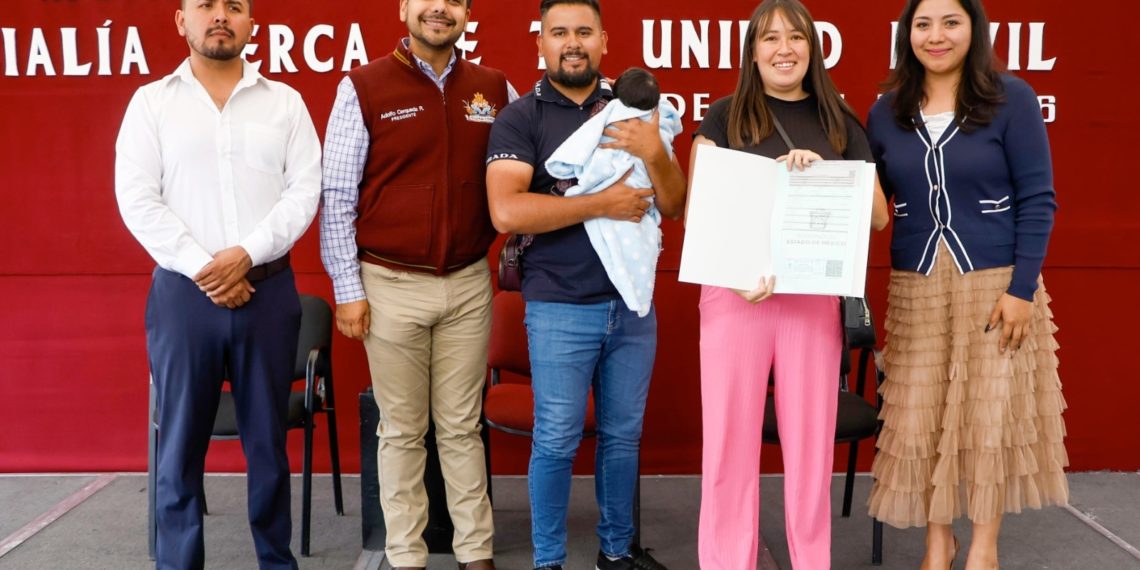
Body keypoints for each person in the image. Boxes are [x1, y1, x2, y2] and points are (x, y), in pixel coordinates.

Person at [114, 0, 321, 568]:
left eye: (234, 6)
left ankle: (276, 560)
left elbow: (303, 191)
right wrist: (207, 267)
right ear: (182, 20)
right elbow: (137, 199)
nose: (220, 15)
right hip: (185, 297)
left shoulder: (285, 104)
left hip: (268, 293)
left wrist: (247, 255)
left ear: (252, 22)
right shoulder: (152, 104)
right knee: (178, 447)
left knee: (268, 449)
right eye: (205, 5)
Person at [866, 0, 1069, 568]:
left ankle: (983, 546)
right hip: (917, 286)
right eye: (922, 24)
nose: (936, 36)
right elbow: (873, 204)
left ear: (973, 30)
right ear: (907, 35)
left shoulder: (1011, 99)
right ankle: (938, 541)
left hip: (995, 284)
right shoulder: (886, 112)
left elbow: (1038, 198)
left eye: (950, 22)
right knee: (921, 416)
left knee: (986, 418)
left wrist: (1022, 288)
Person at [484, 1, 687, 568]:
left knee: (623, 437)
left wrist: (653, 151)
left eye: (582, 32)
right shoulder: (520, 118)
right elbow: (506, 211)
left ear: (603, 41)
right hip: (558, 306)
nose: (571, 42)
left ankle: (615, 551)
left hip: (632, 304)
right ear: (541, 44)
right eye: (558, 33)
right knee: (556, 439)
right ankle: (548, 559)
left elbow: (673, 203)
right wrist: (602, 204)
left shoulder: (635, 110)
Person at [688, 1, 889, 568]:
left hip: (810, 302)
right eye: (771, 38)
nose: (784, 48)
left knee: (809, 452)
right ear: (753, 50)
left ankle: (811, 561)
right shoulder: (723, 116)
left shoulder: (839, 120)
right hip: (735, 298)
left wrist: (824, 172)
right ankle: (728, 560)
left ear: (813, 48)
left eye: (796, 38)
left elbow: (876, 216)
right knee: (729, 445)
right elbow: (702, 204)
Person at [318, 0, 516, 567]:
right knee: (402, 432)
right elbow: (337, 197)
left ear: (466, 13)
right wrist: (348, 290)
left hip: (469, 284)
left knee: (461, 428)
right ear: (404, 7)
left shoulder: (494, 88)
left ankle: (476, 552)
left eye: (454, 1)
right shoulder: (362, 86)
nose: (440, 9)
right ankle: (406, 556)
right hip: (389, 284)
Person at [545, 67, 683, 317]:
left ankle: (636, 295)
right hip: (566, 295)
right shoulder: (658, 112)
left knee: (632, 243)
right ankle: (636, 294)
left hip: (630, 190)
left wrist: (565, 165)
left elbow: (582, 143)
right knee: (633, 243)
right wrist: (601, 202)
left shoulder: (616, 111)